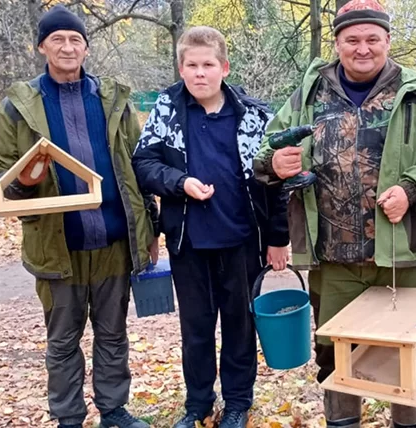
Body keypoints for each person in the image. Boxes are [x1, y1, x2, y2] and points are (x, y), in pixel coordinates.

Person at [253, 0, 416, 426]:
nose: (362, 48)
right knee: (336, 357)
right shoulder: (309, 94)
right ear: (337, 43)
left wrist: (411, 188)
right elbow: (267, 152)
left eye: (372, 38)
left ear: (388, 41)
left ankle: (407, 422)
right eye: (352, 39)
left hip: (398, 254)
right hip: (332, 258)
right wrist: (274, 165)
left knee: (406, 354)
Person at [0, 5, 159, 428]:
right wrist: (25, 180)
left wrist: (151, 227)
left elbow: (140, 167)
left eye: (75, 40)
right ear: (41, 46)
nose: (67, 47)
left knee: (113, 334)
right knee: (63, 340)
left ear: (86, 48)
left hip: (114, 242)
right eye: (58, 39)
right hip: (57, 245)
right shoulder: (18, 106)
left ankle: (114, 411)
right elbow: (0, 176)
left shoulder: (113, 98)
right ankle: (68, 417)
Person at [131, 26, 289, 428]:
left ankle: (237, 403)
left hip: (241, 240)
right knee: (196, 331)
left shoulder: (254, 116)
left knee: (240, 327)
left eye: (208, 65)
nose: (200, 73)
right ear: (181, 68)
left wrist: (277, 238)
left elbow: (276, 183)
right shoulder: (166, 110)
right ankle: (197, 404)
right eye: (191, 65)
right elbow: (144, 165)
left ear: (224, 67)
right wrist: (179, 183)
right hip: (188, 241)